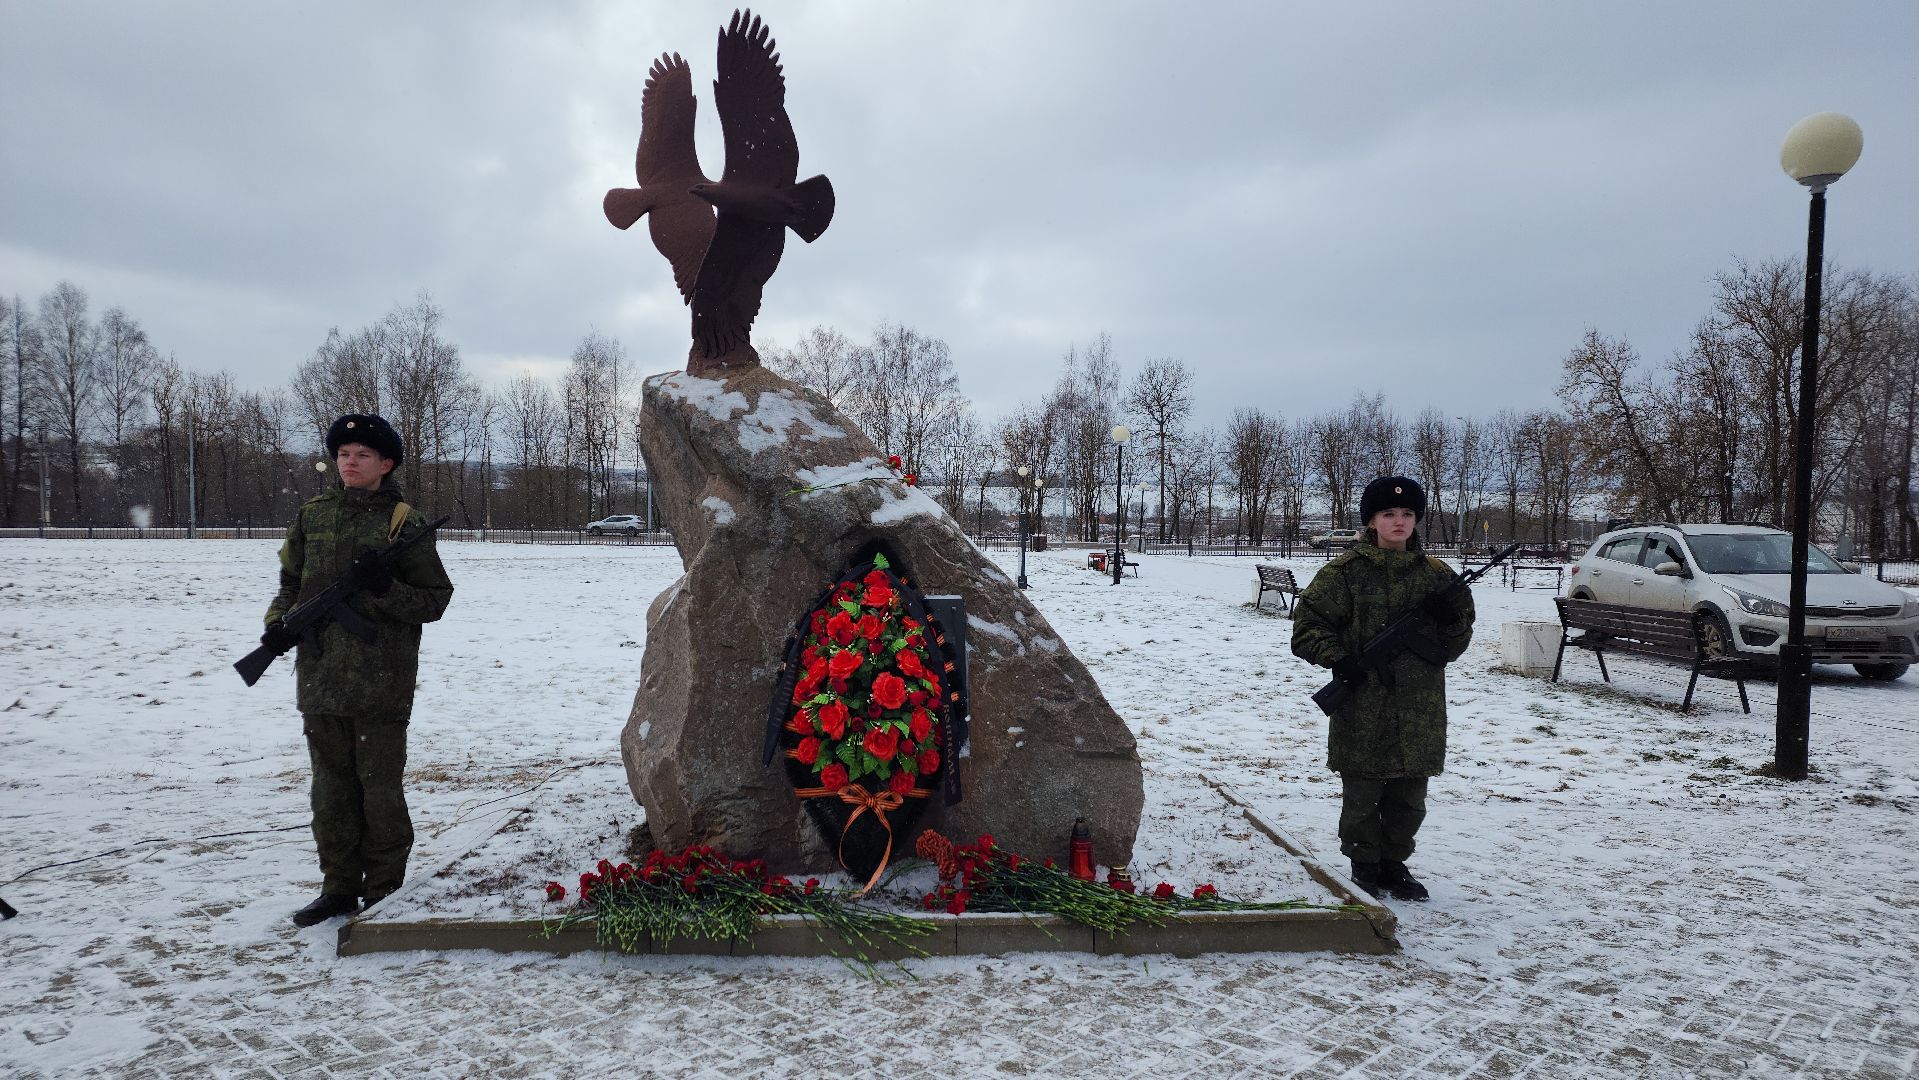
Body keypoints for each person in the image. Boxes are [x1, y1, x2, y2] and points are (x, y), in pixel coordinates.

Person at [262, 414, 454, 927]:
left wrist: (384, 587)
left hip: (380, 680)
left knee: (379, 791)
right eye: (344, 454)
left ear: (385, 464)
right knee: (330, 792)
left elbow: (434, 600)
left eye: (362, 455)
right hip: (320, 677)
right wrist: (277, 624)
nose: (350, 462)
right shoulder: (313, 516)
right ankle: (338, 888)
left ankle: (384, 888)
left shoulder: (402, 523)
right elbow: (290, 583)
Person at [1290, 476, 1474, 902]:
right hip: (1363, 701)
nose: (1399, 521)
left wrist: (1450, 620)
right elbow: (1308, 629)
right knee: (1362, 792)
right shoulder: (1344, 574)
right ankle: (1364, 864)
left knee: (1410, 796)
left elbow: (1455, 645)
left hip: (1420, 705)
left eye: (1407, 513)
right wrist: (1340, 660)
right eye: (1388, 513)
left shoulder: (1438, 577)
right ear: (1371, 521)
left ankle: (1395, 864)